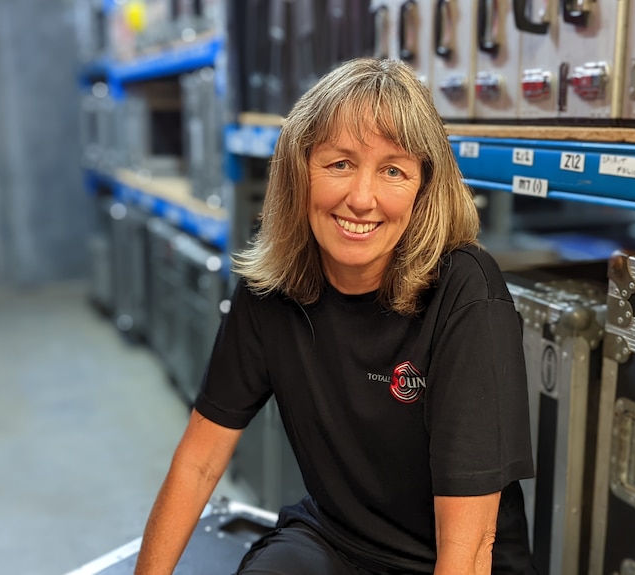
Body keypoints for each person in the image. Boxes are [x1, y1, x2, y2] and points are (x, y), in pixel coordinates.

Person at [134, 57, 536, 575]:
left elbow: (469, 547)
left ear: (422, 189)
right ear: (299, 171)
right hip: (337, 540)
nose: (361, 199)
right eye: (340, 163)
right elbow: (198, 463)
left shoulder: (466, 292)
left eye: (393, 170)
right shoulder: (270, 289)